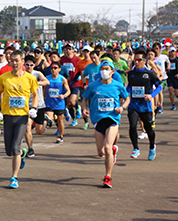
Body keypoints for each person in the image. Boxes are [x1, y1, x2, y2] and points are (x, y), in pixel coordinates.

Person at [0, 50, 39, 189]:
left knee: (15, 147)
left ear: (22, 61)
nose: (14, 63)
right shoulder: (4, 77)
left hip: (22, 117)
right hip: (8, 117)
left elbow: (35, 94)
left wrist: (34, 108)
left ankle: (14, 177)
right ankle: (23, 153)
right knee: (9, 151)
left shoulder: (29, 78)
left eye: (17, 60)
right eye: (12, 60)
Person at [81, 60, 130, 188]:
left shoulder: (117, 85)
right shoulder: (93, 85)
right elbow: (84, 98)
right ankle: (113, 149)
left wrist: (122, 107)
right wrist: (83, 109)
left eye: (107, 69)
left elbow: (127, 98)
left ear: (112, 71)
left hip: (113, 118)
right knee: (101, 152)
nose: (104, 71)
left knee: (107, 147)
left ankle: (108, 177)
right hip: (98, 119)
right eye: (102, 69)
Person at [126, 49, 162, 160]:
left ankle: (152, 146)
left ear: (145, 60)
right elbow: (129, 87)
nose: (136, 62)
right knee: (132, 126)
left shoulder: (149, 74)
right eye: (135, 59)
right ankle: (136, 148)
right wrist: (125, 96)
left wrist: (151, 95)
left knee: (148, 128)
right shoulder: (131, 74)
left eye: (139, 60)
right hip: (133, 105)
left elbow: (159, 86)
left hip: (145, 106)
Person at [23, 55, 50, 157]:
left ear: (34, 65)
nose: (29, 66)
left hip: (39, 105)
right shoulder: (22, 75)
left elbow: (47, 82)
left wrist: (36, 83)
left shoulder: (37, 73)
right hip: (27, 105)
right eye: (27, 64)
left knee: (39, 131)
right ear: (24, 65)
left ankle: (46, 121)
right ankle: (30, 149)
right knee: (27, 127)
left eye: (31, 64)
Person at [45, 61, 71, 144]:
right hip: (49, 103)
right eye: (51, 68)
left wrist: (64, 96)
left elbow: (68, 91)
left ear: (59, 69)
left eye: (55, 68)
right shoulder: (47, 78)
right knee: (49, 117)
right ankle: (54, 117)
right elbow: (44, 90)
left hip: (59, 103)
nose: (53, 70)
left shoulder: (62, 79)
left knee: (60, 121)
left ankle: (60, 135)